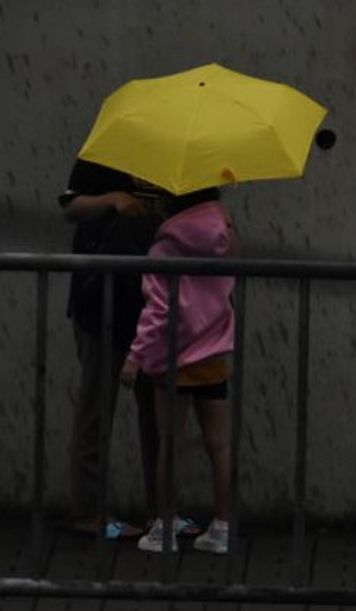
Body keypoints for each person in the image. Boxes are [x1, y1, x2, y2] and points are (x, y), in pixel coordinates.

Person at [118, 187, 236, 555]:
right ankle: (222, 528)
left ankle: (164, 528)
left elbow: (158, 310)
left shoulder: (164, 247)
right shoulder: (227, 238)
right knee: (219, 445)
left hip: (174, 358)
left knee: (170, 444)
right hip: (213, 354)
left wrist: (134, 357)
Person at [59, 159, 169, 540]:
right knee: (97, 409)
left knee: (157, 412)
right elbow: (71, 207)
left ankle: (161, 509)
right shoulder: (106, 147)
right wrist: (112, 199)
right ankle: (88, 511)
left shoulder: (180, 152)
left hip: (154, 304)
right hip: (101, 299)